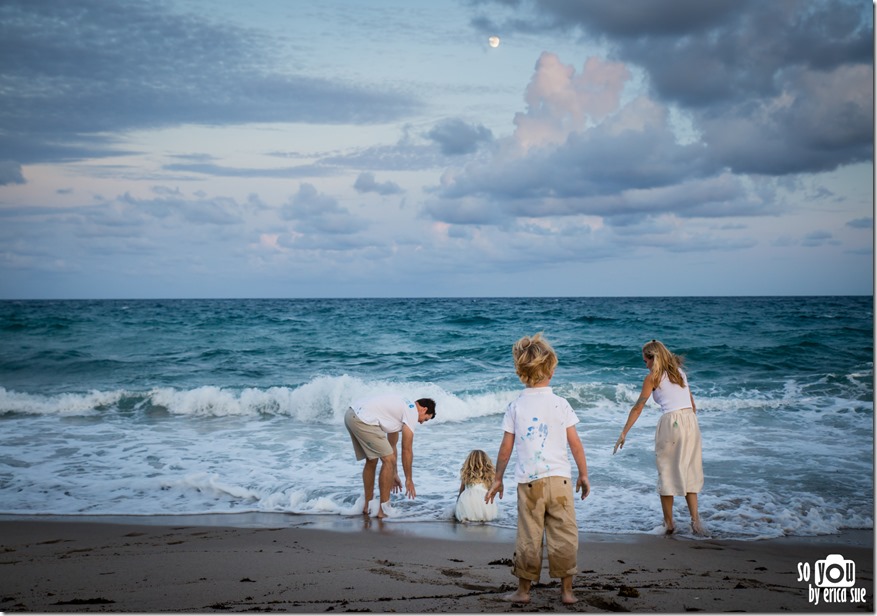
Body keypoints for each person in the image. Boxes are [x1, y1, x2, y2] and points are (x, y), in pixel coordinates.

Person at [486, 333, 590, 605]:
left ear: (521, 373)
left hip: (529, 482)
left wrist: (497, 478)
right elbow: (576, 444)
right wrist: (584, 474)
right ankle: (567, 592)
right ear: (551, 370)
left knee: (529, 536)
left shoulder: (515, 406)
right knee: (565, 534)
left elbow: (505, 448)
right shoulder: (561, 403)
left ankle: (523, 591)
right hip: (560, 481)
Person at [613, 339, 705, 535]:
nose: (645, 364)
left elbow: (638, 407)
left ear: (653, 358)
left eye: (645, 360)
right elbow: (692, 404)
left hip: (672, 423)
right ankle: (696, 523)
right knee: (690, 471)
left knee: (666, 473)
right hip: (691, 422)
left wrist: (623, 433)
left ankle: (669, 524)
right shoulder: (680, 373)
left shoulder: (652, 377)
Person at [344, 393, 436, 518]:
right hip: (362, 420)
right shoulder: (411, 412)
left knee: (373, 460)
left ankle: (368, 506)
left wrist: (394, 473)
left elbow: (392, 446)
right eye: (425, 419)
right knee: (388, 460)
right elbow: (406, 450)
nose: (421, 423)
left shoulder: (402, 409)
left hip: (351, 415)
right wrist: (409, 479)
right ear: (424, 409)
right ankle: (383, 510)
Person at [455, 449, 499, 523]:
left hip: (467, 500)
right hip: (483, 500)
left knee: (465, 515)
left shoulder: (466, 474)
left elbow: (461, 491)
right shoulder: (490, 475)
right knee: (486, 518)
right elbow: (492, 492)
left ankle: (465, 519)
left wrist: (457, 505)